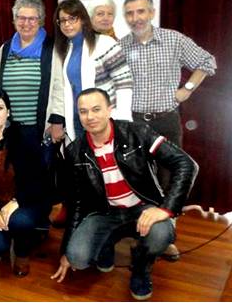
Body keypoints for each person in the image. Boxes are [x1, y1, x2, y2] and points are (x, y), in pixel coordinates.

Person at [51, 88, 198, 301]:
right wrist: (66, 251)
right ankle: (107, 241)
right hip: (104, 212)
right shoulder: (75, 151)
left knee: (161, 234)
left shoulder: (138, 132)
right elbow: (78, 203)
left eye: (96, 109)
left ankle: (140, 266)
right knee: (77, 258)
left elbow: (186, 164)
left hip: (142, 207)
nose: (90, 117)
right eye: (83, 111)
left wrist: (166, 209)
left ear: (110, 109)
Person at [119, 0, 216, 260]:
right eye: (129, 13)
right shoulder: (122, 46)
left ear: (152, 12)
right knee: (138, 179)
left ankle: (167, 237)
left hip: (166, 120)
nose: (135, 18)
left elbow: (207, 62)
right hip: (135, 122)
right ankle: (141, 233)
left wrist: (187, 89)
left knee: (170, 179)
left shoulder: (173, 39)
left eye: (141, 11)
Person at [0, 88, 52, 277]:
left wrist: (15, 202)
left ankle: (22, 253)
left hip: (26, 202)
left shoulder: (26, 137)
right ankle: (4, 245)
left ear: (8, 112)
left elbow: (40, 180)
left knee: (19, 221)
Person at [0, 0, 65, 157]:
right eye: (21, 18)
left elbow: (59, 87)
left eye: (32, 18)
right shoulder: (5, 49)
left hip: (40, 129)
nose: (26, 23)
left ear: (40, 21)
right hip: (9, 129)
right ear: (14, 20)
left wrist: (57, 121)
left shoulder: (51, 48)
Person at [53, 0, 133, 142]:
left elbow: (124, 83)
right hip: (78, 119)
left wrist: (123, 119)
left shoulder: (104, 43)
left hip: (104, 120)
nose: (67, 24)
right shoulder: (66, 49)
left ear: (83, 19)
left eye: (72, 19)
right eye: (63, 20)